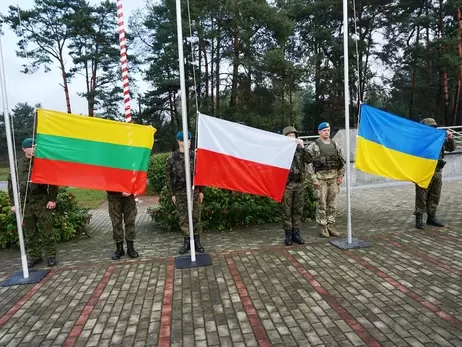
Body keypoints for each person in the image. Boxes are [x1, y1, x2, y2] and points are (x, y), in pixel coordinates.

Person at [8, 138, 59, 267]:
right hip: (25, 202)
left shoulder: (42, 163)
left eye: (35, 146)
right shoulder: (17, 165)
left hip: (41, 200)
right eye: (31, 147)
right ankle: (35, 256)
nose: (34, 149)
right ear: (24, 149)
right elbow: (11, 185)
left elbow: (53, 182)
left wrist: (52, 199)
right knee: (29, 232)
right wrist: (13, 203)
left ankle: (51, 256)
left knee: (46, 230)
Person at [165, 131, 205, 254]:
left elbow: (201, 174)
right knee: (183, 218)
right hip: (180, 192)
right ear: (179, 141)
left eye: (190, 140)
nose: (188, 142)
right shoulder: (172, 158)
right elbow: (168, 177)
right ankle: (186, 242)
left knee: (196, 217)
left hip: (194, 192)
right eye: (186, 140)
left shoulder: (195, 156)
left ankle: (197, 241)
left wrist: (201, 191)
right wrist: (172, 194)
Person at [415, 118, 456, 229]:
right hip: (423, 171)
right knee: (421, 195)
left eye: (434, 127)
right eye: (430, 127)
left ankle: (431, 217)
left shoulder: (439, 139)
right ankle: (419, 218)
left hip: (437, 171)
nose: (432, 129)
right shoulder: (419, 140)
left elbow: (451, 148)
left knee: (435, 194)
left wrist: (450, 138)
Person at [307, 122, 346, 238]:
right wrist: (314, 179)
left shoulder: (335, 145)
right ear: (319, 132)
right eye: (324, 130)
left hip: (333, 179)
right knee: (322, 204)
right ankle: (322, 227)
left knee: (332, 204)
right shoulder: (313, 146)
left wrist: (340, 175)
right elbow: (308, 164)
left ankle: (331, 225)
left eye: (328, 130)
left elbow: (341, 161)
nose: (326, 132)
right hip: (321, 180)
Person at [281, 126, 314, 246]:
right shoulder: (281, 149)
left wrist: (303, 147)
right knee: (286, 210)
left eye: (294, 135)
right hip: (287, 185)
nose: (292, 137)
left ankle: (296, 233)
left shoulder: (300, 149)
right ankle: (288, 234)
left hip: (299, 183)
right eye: (289, 135)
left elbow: (310, 159)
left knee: (298, 210)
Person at [107, 191, 139, 260]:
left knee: (130, 221)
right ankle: (119, 249)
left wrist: (134, 189)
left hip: (128, 194)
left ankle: (130, 248)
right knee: (116, 223)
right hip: (114, 195)